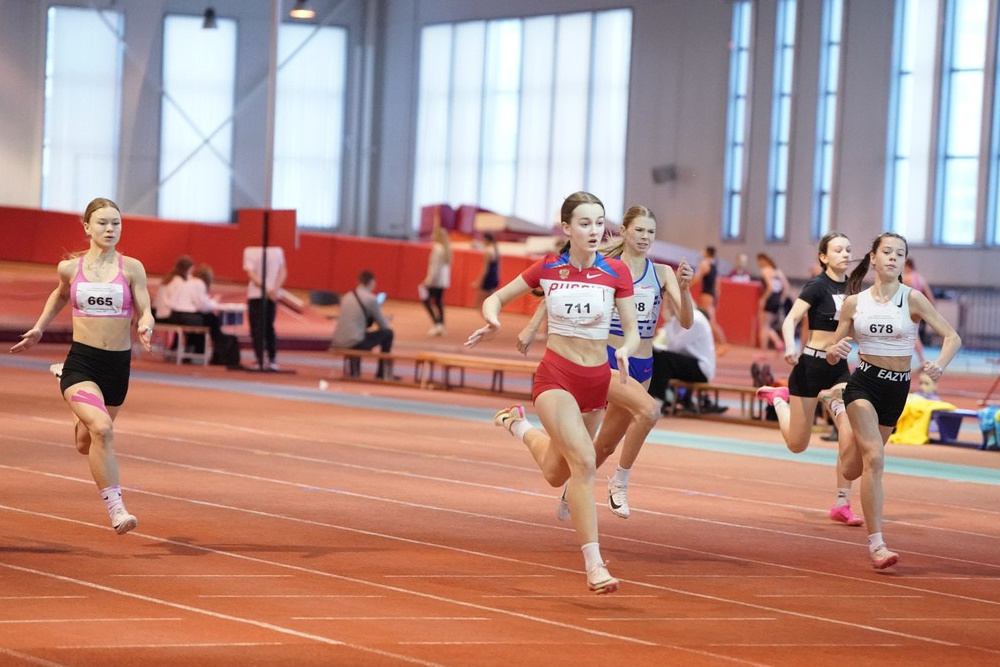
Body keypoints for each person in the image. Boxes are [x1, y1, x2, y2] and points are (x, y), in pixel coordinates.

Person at [465, 191, 638, 594]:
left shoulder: (615, 272)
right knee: (584, 464)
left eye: (599, 222)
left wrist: (627, 349)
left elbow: (629, 328)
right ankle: (595, 566)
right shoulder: (548, 268)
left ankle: (517, 426)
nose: (594, 230)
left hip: (596, 380)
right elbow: (496, 298)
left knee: (555, 472)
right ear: (566, 228)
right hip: (555, 377)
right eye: (585, 223)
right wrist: (493, 321)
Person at [516, 205, 695, 521]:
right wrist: (532, 327)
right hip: (607, 360)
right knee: (649, 410)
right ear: (624, 231)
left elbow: (686, 322)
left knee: (604, 446)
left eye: (650, 232)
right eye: (639, 230)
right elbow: (560, 291)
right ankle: (620, 483)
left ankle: (574, 485)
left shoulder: (662, 273)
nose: (645, 237)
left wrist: (684, 290)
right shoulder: (607, 268)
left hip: (642, 366)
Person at [9, 197, 153, 535]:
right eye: (102, 223)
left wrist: (146, 322)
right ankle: (117, 511)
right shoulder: (70, 269)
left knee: (85, 443)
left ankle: (75, 405)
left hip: (117, 365)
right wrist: (39, 328)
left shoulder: (132, 268)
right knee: (102, 429)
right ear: (87, 227)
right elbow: (59, 295)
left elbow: (145, 307)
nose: (109, 229)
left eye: (115, 223)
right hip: (83, 363)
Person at [824, 232, 960, 569]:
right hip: (864, 384)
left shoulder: (912, 299)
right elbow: (830, 351)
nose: (893, 258)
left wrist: (938, 365)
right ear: (872, 257)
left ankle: (838, 412)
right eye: (887, 252)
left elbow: (952, 337)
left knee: (852, 467)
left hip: (896, 390)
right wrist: (834, 352)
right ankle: (877, 545)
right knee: (875, 459)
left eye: (900, 254)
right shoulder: (855, 303)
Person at [754, 232, 864, 527]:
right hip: (809, 368)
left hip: (839, 369)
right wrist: (790, 347)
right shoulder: (817, 286)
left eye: (848, 249)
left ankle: (842, 501)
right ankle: (779, 401)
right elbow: (790, 319)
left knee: (849, 429)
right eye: (838, 250)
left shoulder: (855, 288)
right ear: (824, 257)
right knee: (797, 445)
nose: (844, 254)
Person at [647, 305, 718, 412]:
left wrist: (669, 322)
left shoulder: (695, 318)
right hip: (687, 362)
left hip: (701, 368)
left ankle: (658, 400)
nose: (666, 305)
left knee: (662, 358)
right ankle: (656, 397)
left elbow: (675, 346)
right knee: (656, 356)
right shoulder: (676, 318)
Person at [331, 270, 396, 379]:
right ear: (371, 282)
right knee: (388, 334)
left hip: (338, 340)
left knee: (359, 332)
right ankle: (382, 373)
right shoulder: (371, 299)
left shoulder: (346, 296)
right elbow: (384, 326)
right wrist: (386, 319)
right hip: (354, 342)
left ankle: (354, 370)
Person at [243, 245, 287, 371]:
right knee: (269, 326)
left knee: (257, 327)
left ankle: (260, 358)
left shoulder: (250, 250)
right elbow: (283, 271)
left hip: (256, 294)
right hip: (272, 295)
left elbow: (251, 274)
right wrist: (275, 288)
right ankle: (272, 359)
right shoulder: (278, 250)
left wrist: (265, 288)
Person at [693, 245, 727, 351]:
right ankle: (717, 342)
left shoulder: (705, 264)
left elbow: (698, 278)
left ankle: (722, 342)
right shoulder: (714, 264)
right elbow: (717, 283)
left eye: (704, 250)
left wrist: (687, 285)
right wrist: (717, 297)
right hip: (711, 295)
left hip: (706, 294)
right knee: (708, 320)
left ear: (707, 252)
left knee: (709, 320)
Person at [902, 257, 936, 364]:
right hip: (918, 310)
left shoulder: (905, 278)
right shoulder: (920, 278)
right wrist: (929, 311)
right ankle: (921, 360)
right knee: (913, 334)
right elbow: (930, 297)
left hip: (907, 309)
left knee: (908, 335)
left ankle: (914, 360)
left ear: (907, 266)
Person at [756, 252, 791, 351]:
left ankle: (763, 351)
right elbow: (786, 286)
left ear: (762, 261)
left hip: (769, 299)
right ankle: (778, 342)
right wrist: (781, 300)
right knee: (767, 325)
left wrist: (763, 299)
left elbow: (770, 287)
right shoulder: (777, 271)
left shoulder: (765, 271)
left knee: (763, 326)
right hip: (777, 300)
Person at [421, 226, 451, 336]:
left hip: (435, 281)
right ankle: (441, 325)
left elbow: (435, 267)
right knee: (438, 303)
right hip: (442, 281)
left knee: (426, 301)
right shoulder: (446, 249)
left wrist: (429, 280)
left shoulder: (437, 248)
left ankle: (437, 324)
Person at [472, 232, 501, 309]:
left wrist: (478, 281)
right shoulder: (495, 250)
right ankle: (490, 319)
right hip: (494, 278)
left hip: (488, 279)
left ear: (486, 240)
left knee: (478, 303)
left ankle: (490, 319)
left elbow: (485, 269)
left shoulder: (488, 251)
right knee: (491, 302)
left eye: (483, 240)